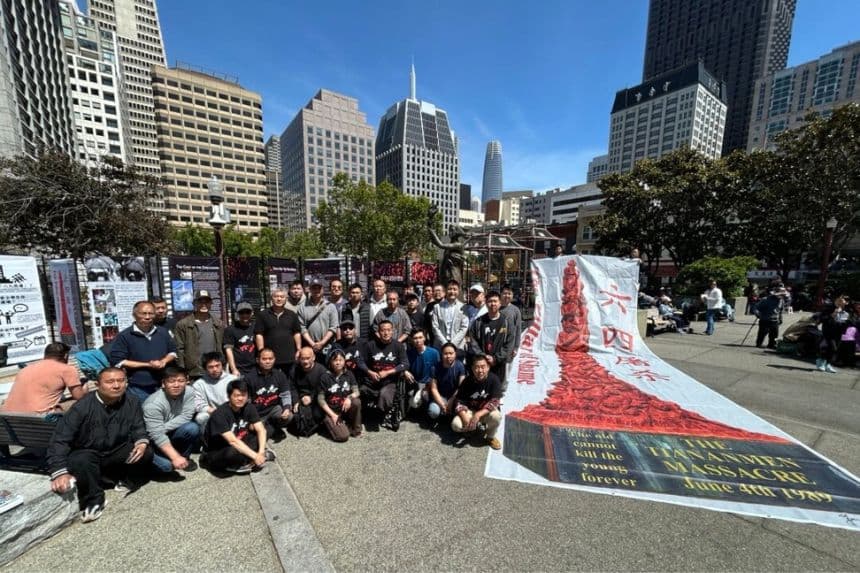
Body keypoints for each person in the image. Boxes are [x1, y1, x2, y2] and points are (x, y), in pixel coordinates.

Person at [47, 367, 153, 523]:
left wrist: (141, 442)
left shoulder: (132, 401)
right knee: (80, 459)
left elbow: (138, 427)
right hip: (88, 452)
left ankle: (122, 478)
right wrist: (59, 472)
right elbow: (60, 439)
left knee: (146, 452)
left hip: (115, 449)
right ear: (97, 384)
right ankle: (94, 500)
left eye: (121, 380)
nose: (116, 386)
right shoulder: (82, 407)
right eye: (110, 382)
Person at [110, 301, 177, 402]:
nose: (147, 317)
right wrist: (147, 365)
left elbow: (173, 352)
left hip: (164, 384)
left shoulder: (163, 332)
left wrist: (164, 361)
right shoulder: (125, 336)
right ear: (134, 315)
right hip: (138, 387)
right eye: (143, 313)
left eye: (151, 314)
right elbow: (119, 361)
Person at [202, 379, 270, 474]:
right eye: (237, 395)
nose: (240, 399)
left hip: (239, 439)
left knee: (267, 428)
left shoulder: (249, 407)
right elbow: (232, 441)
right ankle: (241, 462)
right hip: (218, 450)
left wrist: (261, 452)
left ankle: (253, 456)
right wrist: (256, 456)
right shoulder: (219, 414)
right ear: (229, 396)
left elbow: (261, 430)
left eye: (243, 395)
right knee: (233, 452)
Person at [143, 367, 201, 477]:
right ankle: (164, 457)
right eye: (171, 381)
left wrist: (162, 428)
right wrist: (174, 457)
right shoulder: (153, 404)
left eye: (181, 381)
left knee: (192, 428)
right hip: (153, 440)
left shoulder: (189, 391)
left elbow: (186, 416)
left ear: (187, 380)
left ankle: (184, 457)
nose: (176, 385)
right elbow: (156, 435)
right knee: (167, 467)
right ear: (163, 384)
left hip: (168, 431)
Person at [2, 342, 86, 413]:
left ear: (46, 355)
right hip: (40, 420)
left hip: (8, 417)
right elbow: (80, 398)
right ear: (65, 356)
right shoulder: (67, 369)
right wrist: (85, 389)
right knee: (82, 403)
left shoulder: (25, 369)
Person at [356, 320, 408, 431]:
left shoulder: (398, 346)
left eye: (388, 330)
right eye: (383, 330)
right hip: (372, 380)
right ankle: (363, 416)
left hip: (390, 382)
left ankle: (386, 413)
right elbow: (360, 361)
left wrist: (388, 372)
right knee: (360, 391)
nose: (386, 333)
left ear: (392, 331)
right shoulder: (370, 345)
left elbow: (405, 364)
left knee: (384, 394)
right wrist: (370, 372)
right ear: (378, 332)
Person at [451, 355, 503, 450]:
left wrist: (478, 415)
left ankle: (490, 437)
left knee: (496, 417)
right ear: (472, 368)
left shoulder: (494, 380)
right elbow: (458, 401)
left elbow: (495, 401)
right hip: (471, 410)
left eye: (483, 367)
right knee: (456, 424)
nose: (480, 370)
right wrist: (464, 417)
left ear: (488, 367)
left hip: (485, 411)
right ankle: (471, 429)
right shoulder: (467, 381)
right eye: (477, 367)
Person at [174, 290, 224, 379]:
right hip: (194, 372)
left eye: (207, 301)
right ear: (194, 303)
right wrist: (182, 372)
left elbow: (223, 347)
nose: (203, 304)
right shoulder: (183, 324)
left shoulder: (218, 324)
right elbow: (179, 349)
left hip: (215, 370)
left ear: (211, 303)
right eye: (200, 301)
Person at [467, 290, 515, 383]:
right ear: (486, 303)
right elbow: (473, 341)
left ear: (500, 303)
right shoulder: (478, 322)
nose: (492, 304)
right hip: (481, 365)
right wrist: (483, 357)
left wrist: (496, 358)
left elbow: (509, 343)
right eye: (490, 301)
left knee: (497, 391)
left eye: (495, 301)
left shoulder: (507, 322)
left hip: (499, 364)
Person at [245, 348, 292, 437]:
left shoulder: (279, 374)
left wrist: (286, 408)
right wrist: (252, 418)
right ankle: (271, 428)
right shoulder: (249, 378)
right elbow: (246, 401)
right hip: (257, 412)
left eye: (270, 359)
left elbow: (285, 394)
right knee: (254, 429)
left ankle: (273, 426)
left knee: (289, 416)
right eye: (264, 359)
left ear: (274, 359)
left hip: (273, 408)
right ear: (258, 360)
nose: (268, 361)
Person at [254, 288, 302, 375]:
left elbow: (297, 333)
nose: (279, 299)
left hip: (289, 357)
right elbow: (259, 334)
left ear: (285, 299)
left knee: (289, 383)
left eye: (282, 297)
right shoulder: (263, 315)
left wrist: (298, 349)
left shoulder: (292, 315)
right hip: (270, 358)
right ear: (272, 299)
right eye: (276, 296)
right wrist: (261, 351)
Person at [317, 347, 362, 441]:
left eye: (341, 360)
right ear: (330, 362)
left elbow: (357, 392)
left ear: (344, 361)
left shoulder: (349, 374)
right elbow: (320, 399)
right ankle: (332, 424)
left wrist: (349, 398)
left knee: (356, 402)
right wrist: (332, 415)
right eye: (335, 360)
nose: (338, 363)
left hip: (344, 408)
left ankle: (355, 430)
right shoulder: (325, 377)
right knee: (343, 436)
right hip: (331, 411)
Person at [191, 352, 238, 428]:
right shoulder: (199, 384)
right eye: (211, 367)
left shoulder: (233, 379)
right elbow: (198, 404)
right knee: (200, 417)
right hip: (212, 413)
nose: (215, 369)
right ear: (205, 368)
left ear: (222, 365)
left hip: (232, 411)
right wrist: (216, 412)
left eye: (217, 366)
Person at [288, 347, 326, 437]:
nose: (305, 361)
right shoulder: (294, 370)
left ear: (313, 357)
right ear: (299, 359)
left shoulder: (321, 370)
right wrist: (296, 401)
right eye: (302, 358)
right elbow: (292, 387)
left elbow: (323, 388)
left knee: (317, 414)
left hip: (316, 398)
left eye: (308, 358)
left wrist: (311, 398)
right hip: (300, 398)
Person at [297, 277, 339, 358]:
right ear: (310, 289)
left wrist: (322, 343)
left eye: (319, 288)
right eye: (314, 288)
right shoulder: (302, 307)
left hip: (328, 346)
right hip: (309, 347)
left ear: (323, 289)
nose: (316, 290)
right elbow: (302, 328)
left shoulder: (331, 306)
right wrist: (313, 344)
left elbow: (333, 327)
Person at [427, 343, 466, 420]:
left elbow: (461, 387)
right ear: (442, 354)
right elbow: (433, 389)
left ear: (455, 354)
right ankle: (443, 414)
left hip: (455, 396)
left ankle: (448, 415)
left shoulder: (460, 366)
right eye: (445, 353)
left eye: (451, 353)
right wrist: (442, 404)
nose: (448, 356)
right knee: (433, 412)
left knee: (458, 411)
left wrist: (452, 400)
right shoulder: (435, 368)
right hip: (441, 396)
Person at [405, 328, 440, 411]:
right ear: (412, 340)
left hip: (430, 384)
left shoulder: (434, 353)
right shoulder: (409, 353)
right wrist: (405, 371)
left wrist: (429, 386)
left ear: (424, 338)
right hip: (415, 384)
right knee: (413, 403)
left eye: (420, 337)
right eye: (415, 338)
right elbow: (403, 366)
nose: (418, 340)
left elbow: (438, 371)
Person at [431, 280, 469, 352]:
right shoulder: (437, 307)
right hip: (440, 346)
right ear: (445, 291)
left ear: (458, 291)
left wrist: (452, 344)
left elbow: (464, 327)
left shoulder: (463, 307)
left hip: (458, 347)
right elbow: (435, 327)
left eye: (455, 289)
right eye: (450, 289)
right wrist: (444, 343)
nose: (452, 292)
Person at [223, 301, 257, 376]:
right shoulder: (230, 329)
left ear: (252, 313)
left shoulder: (256, 327)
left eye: (247, 312)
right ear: (237, 314)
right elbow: (228, 350)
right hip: (239, 368)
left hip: (255, 367)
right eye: (242, 312)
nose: (245, 315)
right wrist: (233, 369)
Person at [499, 285, 523, 351]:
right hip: (496, 345)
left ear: (512, 295)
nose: (507, 296)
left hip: (510, 347)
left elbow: (518, 329)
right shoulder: (495, 308)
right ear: (500, 294)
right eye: (504, 293)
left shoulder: (516, 310)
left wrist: (516, 347)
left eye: (509, 294)